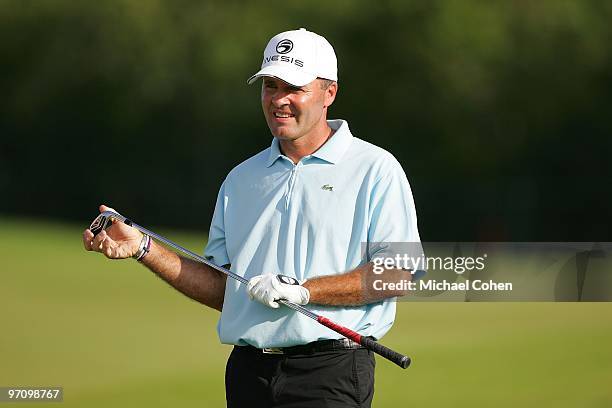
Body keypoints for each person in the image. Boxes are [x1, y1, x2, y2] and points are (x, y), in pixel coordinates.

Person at [83, 28, 420, 408]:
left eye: (294, 87)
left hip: (330, 372)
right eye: (270, 86)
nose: (279, 100)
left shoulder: (374, 168)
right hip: (248, 374)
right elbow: (224, 289)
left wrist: (304, 290)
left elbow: (397, 273)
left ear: (330, 93)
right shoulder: (241, 179)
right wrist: (144, 248)